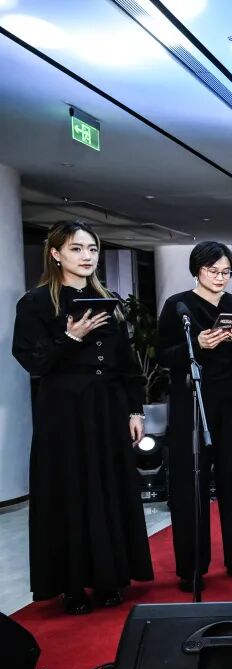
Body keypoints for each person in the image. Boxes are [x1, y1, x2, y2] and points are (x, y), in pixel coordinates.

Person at [12, 220, 153, 614]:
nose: (87, 256)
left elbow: (126, 363)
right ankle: (72, 586)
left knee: (109, 488)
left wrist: (135, 408)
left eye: (92, 249)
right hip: (65, 412)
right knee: (70, 491)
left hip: (108, 407)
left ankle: (110, 578)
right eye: (76, 248)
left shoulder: (108, 300)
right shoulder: (36, 302)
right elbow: (32, 360)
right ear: (56, 254)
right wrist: (71, 337)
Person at [158, 241, 232, 592]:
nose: (220, 277)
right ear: (197, 270)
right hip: (191, 401)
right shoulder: (178, 306)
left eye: (226, 272)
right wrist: (198, 344)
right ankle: (192, 568)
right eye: (212, 271)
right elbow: (162, 355)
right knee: (191, 485)